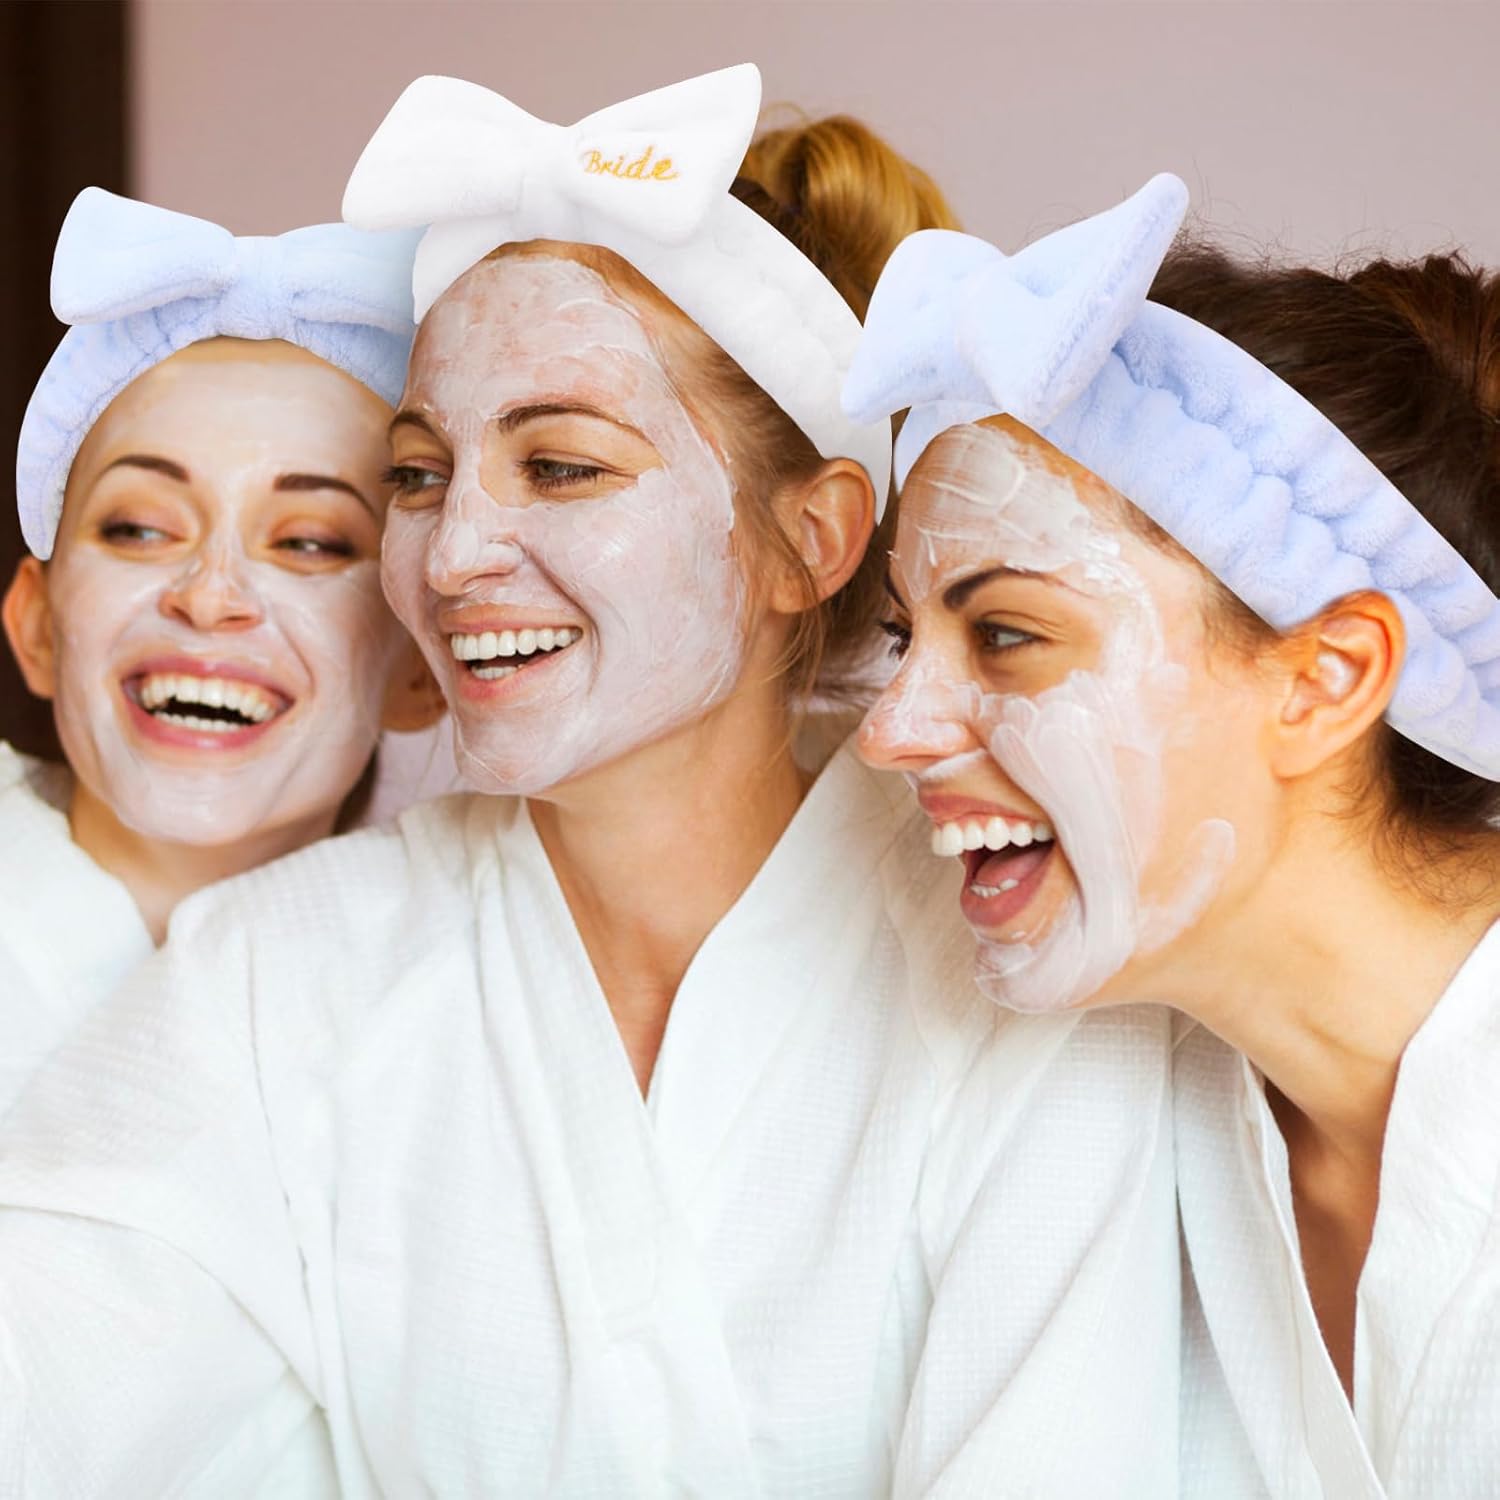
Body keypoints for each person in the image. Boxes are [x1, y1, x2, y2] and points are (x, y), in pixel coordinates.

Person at [0, 70, 1180, 1497]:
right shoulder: (274, 974)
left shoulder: (1030, 973)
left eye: (560, 466)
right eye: (419, 476)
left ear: (810, 541)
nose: (451, 557)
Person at [848, 171, 1500, 1498]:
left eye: (1007, 634)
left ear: (1326, 679)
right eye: (904, 638)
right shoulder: (1151, 1109)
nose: (889, 731)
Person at [0, 188, 439, 1112]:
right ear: (36, 624)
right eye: (139, 528)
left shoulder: (458, 1016)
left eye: (310, 542)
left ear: (421, 667)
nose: (209, 596)